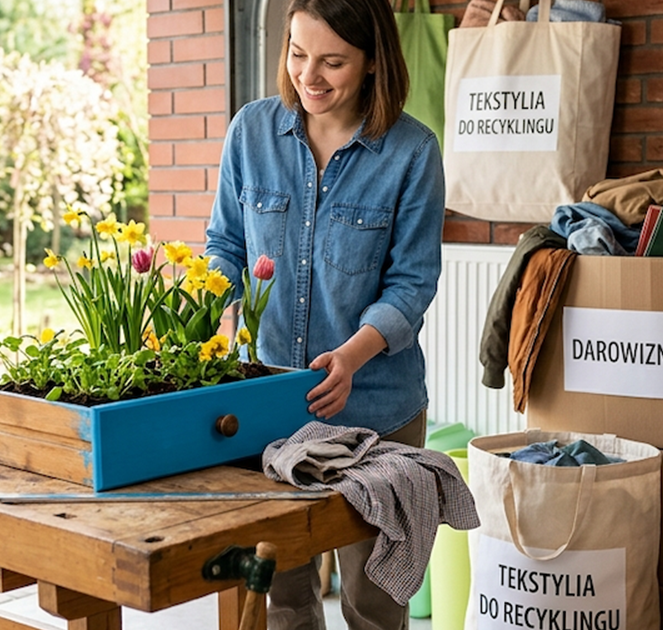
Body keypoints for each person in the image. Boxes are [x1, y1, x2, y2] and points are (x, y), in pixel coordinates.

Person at [203, 0, 446, 625]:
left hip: (377, 411)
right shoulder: (251, 132)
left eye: (333, 61)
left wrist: (352, 354)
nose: (310, 76)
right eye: (297, 53)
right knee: (284, 597)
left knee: (373, 604)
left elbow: (412, 283)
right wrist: (220, 308)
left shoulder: (412, 152)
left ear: (371, 63)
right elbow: (226, 246)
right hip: (271, 407)